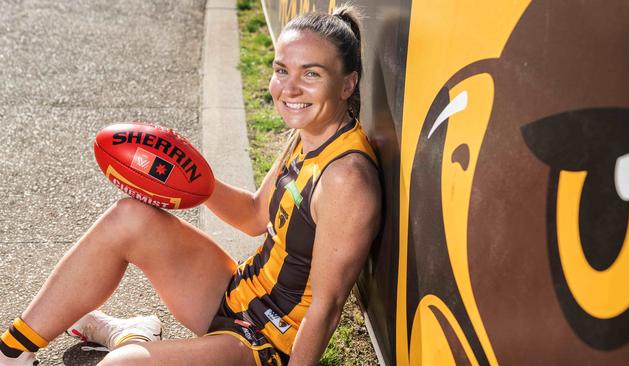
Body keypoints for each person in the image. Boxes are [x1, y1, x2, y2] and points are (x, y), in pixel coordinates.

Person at [0, 4, 380, 366]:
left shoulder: (346, 179)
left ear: (348, 84)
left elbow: (326, 307)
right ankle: (14, 351)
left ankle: (129, 339)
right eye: (282, 70)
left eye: (311, 74)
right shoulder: (310, 132)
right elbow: (252, 215)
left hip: (265, 346)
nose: (290, 88)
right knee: (130, 218)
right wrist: (195, 179)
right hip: (239, 291)